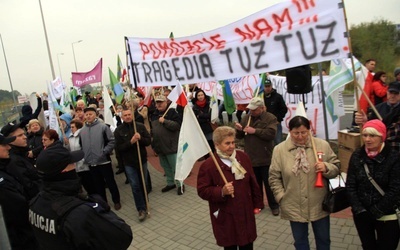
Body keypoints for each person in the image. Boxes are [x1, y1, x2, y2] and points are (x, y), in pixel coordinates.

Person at [29, 141, 133, 249]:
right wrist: (103, 210)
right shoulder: (80, 212)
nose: (74, 165)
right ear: (63, 170)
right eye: (71, 163)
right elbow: (123, 235)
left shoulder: (35, 203)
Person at [269, 116, 340, 250]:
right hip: (293, 203)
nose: (300, 137)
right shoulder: (279, 150)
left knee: (324, 240)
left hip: (319, 203)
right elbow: (274, 177)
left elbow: (336, 167)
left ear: (309, 130)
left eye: (304, 132)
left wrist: (326, 167)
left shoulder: (322, 145)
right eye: (296, 133)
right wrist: (281, 196)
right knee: (300, 242)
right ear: (290, 132)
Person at [197, 126, 263, 249]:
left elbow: (253, 182)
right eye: (227, 143)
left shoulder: (243, 157)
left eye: (233, 142)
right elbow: (202, 190)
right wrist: (221, 191)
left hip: (245, 211)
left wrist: (257, 203)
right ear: (217, 145)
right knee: (230, 244)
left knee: (248, 244)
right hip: (226, 214)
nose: (232, 146)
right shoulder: (209, 165)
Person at [346, 119, 400, 250]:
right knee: (368, 246)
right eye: (365, 135)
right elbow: (351, 185)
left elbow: (396, 189)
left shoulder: (394, 157)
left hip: (387, 214)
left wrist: (376, 211)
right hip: (362, 214)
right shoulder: (357, 155)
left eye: (372, 135)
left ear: (382, 137)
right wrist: (359, 209)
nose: (368, 139)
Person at [235, 97, 279, 216]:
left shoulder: (270, 118)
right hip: (251, 157)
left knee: (269, 183)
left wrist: (255, 131)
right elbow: (240, 136)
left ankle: (274, 205)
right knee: (255, 184)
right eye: (250, 109)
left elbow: (271, 134)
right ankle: (258, 204)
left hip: (265, 156)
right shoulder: (246, 117)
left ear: (261, 108)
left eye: (254, 109)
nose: (252, 111)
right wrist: (239, 130)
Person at [0, 134, 40, 250]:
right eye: (3, 145)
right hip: (20, 237)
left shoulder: (5, 167)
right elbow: (18, 208)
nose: (9, 147)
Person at [80, 106, 121, 210]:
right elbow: (81, 145)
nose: (88, 116)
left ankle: (116, 201)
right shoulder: (82, 131)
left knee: (110, 182)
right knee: (98, 185)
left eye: (90, 114)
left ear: (95, 115)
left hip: (104, 161)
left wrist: (104, 152)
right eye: (87, 114)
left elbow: (111, 141)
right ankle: (104, 203)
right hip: (91, 163)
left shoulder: (103, 127)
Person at [114, 109, 152, 221]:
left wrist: (141, 139)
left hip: (142, 160)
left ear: (133, 115)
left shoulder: (140, 126)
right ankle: (140, 209)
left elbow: (148, 141)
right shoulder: (118, 130)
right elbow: (119, 148)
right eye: (125, 115)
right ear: (122, 117)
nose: (127, 117)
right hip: (129, 162)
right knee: (135, 186)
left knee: (143, 183)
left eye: (129, 114)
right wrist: (130, 142)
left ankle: (146, 204)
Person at [150, 95, 183, 195]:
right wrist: (153, 145)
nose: (159, 104)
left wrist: (165, 121)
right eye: (157, 102)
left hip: (170, 146)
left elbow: (177, 126)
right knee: (165, 166)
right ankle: (170, 183)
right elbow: (154, 131)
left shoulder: (172, 112)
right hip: (160, 146)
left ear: (166, 102)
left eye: (161, 102)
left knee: (175, 167)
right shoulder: (154, 114)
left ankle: (180, 184)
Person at [355, 81, 400, 151]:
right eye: (391, 93)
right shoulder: (377, 108)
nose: (392, 96)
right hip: (379, 148)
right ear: (387, 92)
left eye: (396, 93)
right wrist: (365, 122)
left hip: (396, 147)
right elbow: (370, 129)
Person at [1, 122, 41, 199]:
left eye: (24, 134)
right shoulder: (13, 160)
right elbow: (29, 187)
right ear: (10, 140)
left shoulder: (22, 153)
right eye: (20, 135)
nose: (25, 137)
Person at [67, 119, 96, 196]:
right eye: (70, 127)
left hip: (84, 164)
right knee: (84, 185)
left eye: (73, 127)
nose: (71, 129)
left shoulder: (82, 135)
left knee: (90, 184)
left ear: (78, 127)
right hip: (77, 166)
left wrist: (84, 160)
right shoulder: (70, 137)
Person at [263, 77, 288, 145]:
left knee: (278, 142)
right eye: (266, 86)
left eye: (269, 86)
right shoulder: (261, 97)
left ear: (271, 86)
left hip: (276, 123)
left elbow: (284, 109)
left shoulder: (278, 97)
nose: (267, 88)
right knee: (267, 143)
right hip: (265, 124)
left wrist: (278, 119)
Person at [192, 89, 215, 155]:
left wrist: (201, 115)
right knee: (204, 147)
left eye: (202, 95)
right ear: (196, 97)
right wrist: (205, 116)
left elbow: (211, 116)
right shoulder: (195, 107)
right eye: (198, 95)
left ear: (204, 95)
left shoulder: (209, 104)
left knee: (211, 145)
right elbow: (196, 119)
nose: (200, 97)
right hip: (200, 129)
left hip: (209, 128)